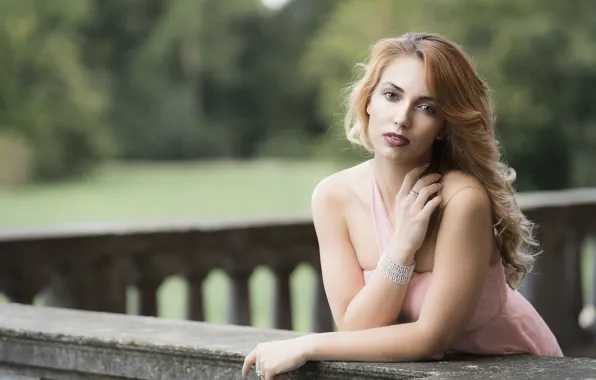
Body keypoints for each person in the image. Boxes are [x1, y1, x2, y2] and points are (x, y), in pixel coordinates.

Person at [242, 32, 562, 380]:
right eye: (392, 95)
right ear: (368, 100)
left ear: (443, 127)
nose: (402, 118)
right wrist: (401, 247)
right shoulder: (333, 197)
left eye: (427, 107)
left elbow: (432, 338)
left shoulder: (462, 200)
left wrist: (308, 345)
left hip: (517, 368)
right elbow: (355, 327)